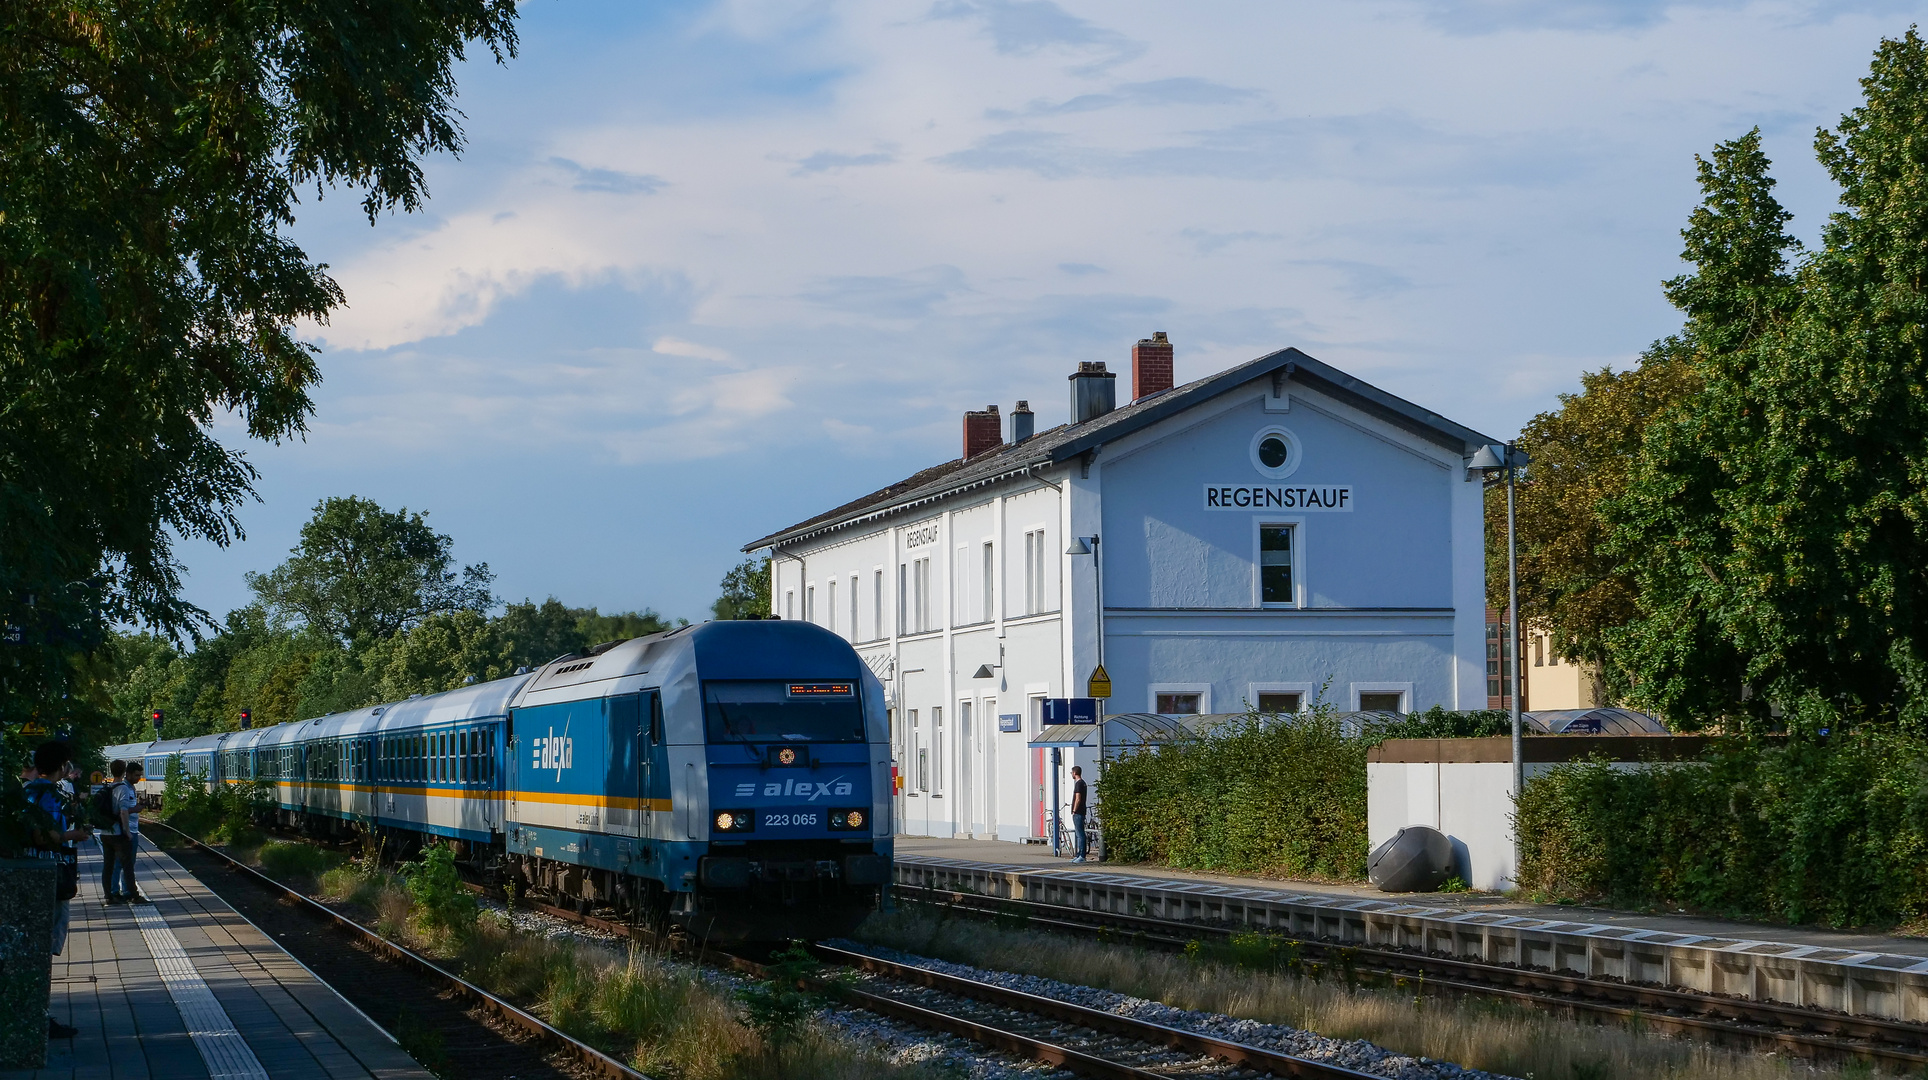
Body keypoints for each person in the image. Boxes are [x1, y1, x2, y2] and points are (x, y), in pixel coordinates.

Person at [25, 742, 92, 1039]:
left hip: (29, 873)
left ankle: (32, 1012)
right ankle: (40, 1015)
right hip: (50, 875)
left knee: (32, 947)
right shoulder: (48, 795)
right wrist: (73, 835)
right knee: (46, 947)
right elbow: (45, 836)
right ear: (62, 766)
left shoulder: (26, 790)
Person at [99, 760, 134, 903]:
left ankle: (108, 896)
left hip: (104, 833)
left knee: (108, 866)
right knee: (127, 865)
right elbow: (123, 812)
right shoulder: (122, 788)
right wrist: (127, 831)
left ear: (111, 771)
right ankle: (134, 895)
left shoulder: (107, 787)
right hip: (117, 833)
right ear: (124, 771)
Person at [117, 762, 147, 903]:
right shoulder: (125, 789)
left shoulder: (130, 788)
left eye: (140, 775)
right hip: (128, 830)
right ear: (127, 774)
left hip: (131, 829)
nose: (138, 778)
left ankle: (123, 890)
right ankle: (127, 891)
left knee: (126, 863)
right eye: (136, 775)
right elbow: (122, 810)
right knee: (126, 863)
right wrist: (135, 809)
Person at [1069, 765, 1089, 863]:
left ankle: (1081, 855)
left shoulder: (1078, 784)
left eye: (1071, 773)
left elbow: (1078, 798)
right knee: (1080, 833)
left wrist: (1074, 810)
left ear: (1074, 773)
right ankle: (1079, 855)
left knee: (1080, 834)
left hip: (1078, 812)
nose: (1071, 774)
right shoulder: (1083, 783)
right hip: (1082, 811)